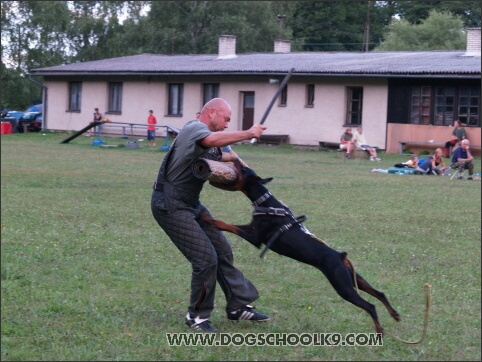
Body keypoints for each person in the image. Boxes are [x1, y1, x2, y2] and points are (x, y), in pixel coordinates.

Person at [151, 98, 269, 333]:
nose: (227, 125)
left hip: (191, 203)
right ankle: (196, 317)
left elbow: (233, 158)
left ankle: (237, 307)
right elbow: (211, 140)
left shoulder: (217, 141)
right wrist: (248, 132)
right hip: (169, 204)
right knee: (205, 259)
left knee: (222, 249)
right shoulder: (195, 128)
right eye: (226, 119)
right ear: (212, 112)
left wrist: (256, 184)